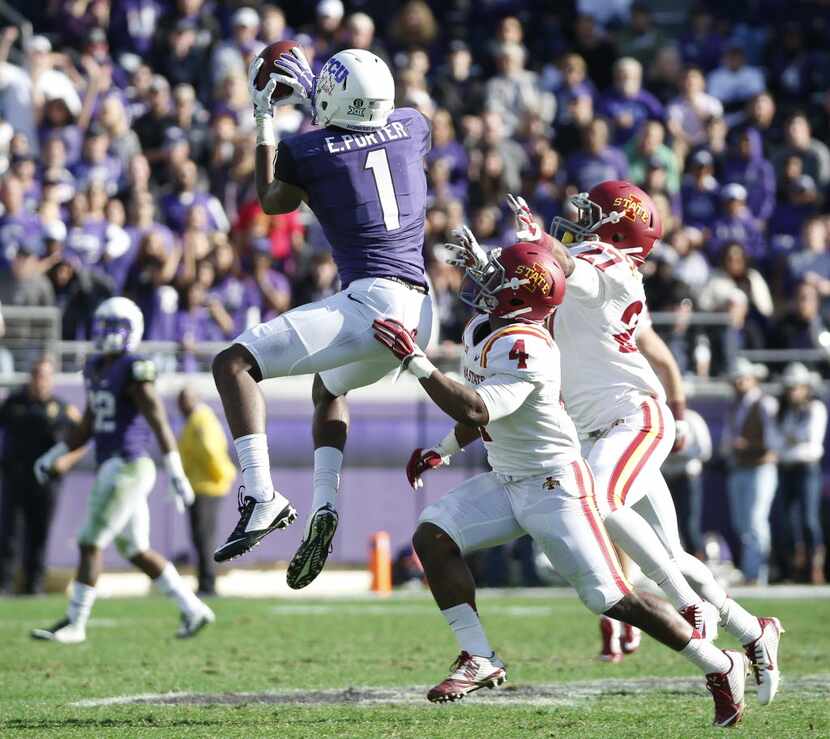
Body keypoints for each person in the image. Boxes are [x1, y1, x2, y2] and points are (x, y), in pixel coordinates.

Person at [383, 238, 751, 728]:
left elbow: (478, 406)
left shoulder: (527, 346)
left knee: (613, 599)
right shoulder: (484, 328)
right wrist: (442, 450)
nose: (486, 283)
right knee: (433, 533)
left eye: (498, 279)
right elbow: (479, 410)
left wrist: (417, 361)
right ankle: (478, 655)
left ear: (520, 297)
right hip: (509, 479)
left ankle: (719, 664)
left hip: (556, 487)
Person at [504, 183, 781, 700]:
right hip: (606, 424)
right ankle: (752, 630)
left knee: (601, 501)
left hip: (631, 417)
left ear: (614, 227)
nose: (579, 220)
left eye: (591, 214)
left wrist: (542, 241)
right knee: (671, 553)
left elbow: (568, 267)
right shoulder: (608, 267)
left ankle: (684, 604)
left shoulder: (603, 262)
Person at [210, 47, 434, 593]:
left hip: (373, 303)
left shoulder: (309, 149)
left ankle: (261, 493)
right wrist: (324, 96)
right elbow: (360, 132)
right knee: (328, 388)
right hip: (424, 315)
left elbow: (271, 199)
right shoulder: (412, 125)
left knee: (233, 364)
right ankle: (323, 504)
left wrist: (264, 117)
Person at [29, 298, 213, 643]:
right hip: (115, 465)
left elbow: (157, 417)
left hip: (128, 465)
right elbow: (88, 423)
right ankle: (193, 608)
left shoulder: (135, 367)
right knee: (135, 550)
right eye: (105, 325)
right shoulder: (96, 366)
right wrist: (55, 452)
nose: (109, 333)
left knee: (89, 541)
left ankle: (75, 623)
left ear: (133, 329)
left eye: (117, 325)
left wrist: (175, 470)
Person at [0, 357, 84, 594]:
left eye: (45, 376)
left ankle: (33, 587)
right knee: (9, 533)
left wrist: (67, 461)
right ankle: (4, 585)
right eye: (36, 375)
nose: (40, 381)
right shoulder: (13, 403)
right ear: (30, 377)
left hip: (46, 482)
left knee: (39, 534)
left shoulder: (63, 408)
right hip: (14, 477)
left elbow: (83, 438)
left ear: (51, 380)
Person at [721, 358, 778, 586]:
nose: (738, 383)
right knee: (742, 523)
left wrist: (749, 446)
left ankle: (757, 573)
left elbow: (774, 441)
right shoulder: (735, 405)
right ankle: (749, 571)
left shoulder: (765, 403)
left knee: (755, 522)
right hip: (740, 467)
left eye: (742, 378)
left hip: (760, 467)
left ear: (753, 379)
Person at [177, 387, 236, 596]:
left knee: (204, 537)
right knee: (200, 537)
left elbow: (209, 450)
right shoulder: (197, 419)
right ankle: (204, 582)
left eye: (184, 400)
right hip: (198, 485)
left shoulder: (201, 419)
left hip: (207, 486)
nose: (180, 406)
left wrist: (219, 476)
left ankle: (208, 584)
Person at [773, 363, 827, 584]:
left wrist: (790, 441)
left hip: (806, 469)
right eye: (789, 387)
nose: (792, 391)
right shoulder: (785, 412)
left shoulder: (815, 409)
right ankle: (794, 567)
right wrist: (792, 441)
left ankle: (815, 566)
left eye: (796, 387)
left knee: (808, 520)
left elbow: (811, 442)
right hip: (787, 469)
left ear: (806, 387)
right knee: (786, 521)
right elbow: (778, 442)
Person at [663, 407, 713, 560]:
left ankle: (699, 561)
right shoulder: (663, 417)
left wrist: (679, 453)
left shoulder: (692, 418)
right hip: (667, 478)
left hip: (687, 477)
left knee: (689, 523)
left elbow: (704, 450)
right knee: (668, 525)